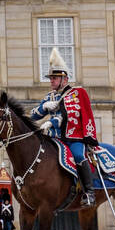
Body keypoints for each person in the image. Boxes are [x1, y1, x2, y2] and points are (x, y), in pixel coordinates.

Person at [29, 48, 98, 206]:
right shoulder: (49, 96)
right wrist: (45, 107)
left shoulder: (76, 94)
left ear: (64, 79)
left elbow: (73, 116)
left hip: (72, 137)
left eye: (54, 78)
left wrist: (52, 122)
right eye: (51, 78)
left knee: (78, 156)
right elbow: (32, 116)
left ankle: (89, 193)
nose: (51, 81)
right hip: (53, 138)